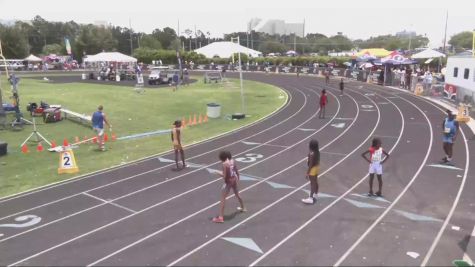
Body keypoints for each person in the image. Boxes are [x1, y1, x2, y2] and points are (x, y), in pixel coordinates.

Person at [213, 151, 246, 223]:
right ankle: (243, 207)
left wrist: (218, 173)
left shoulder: (224, 164)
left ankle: (220, 217)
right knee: (237, 194)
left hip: (228, 182)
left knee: (223, 198)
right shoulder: (232, 161)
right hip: (234, 179)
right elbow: (236, 170)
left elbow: (225, 176)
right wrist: (238, 178)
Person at [302, 139, 320, 204]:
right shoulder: (317, 152)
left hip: (312, 169)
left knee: (312, 183)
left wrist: (307, 173)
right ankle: (316, 194)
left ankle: (310, 198)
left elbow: (311, 164)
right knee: (315, 181)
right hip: (317, 167)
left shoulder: (312, 153)